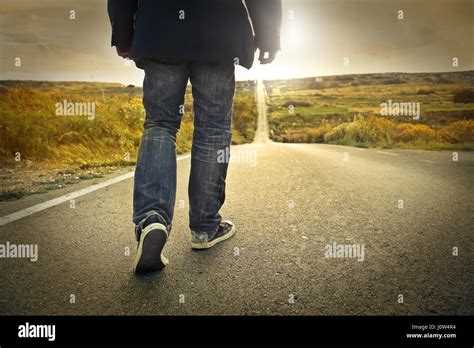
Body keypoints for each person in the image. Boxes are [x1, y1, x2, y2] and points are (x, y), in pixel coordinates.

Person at [107, 0, 282, 273]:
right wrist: (268, 33)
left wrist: (123, 33)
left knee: (160, 124)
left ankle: (152, 219)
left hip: (160, 28)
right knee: (212, 128)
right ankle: (205, 227)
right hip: (219, 30)